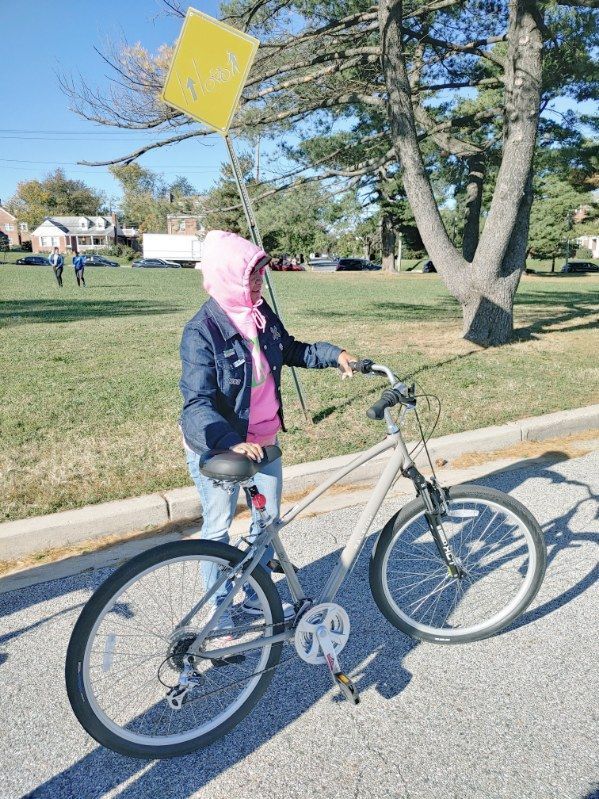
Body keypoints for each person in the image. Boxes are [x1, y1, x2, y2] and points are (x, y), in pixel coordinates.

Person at [180, 230, 358, 630]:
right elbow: (197, 403)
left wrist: (334, 354)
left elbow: (292, 348)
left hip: (264, 440)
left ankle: (256, 595)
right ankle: (220, 611)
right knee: (218, 527)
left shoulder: (259, 314)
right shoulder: (201, 332)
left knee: (267, 522)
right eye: (250, 276)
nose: (259, 282)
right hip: (220, 447)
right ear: (227, 276)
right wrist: (230, 442)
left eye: (261, 273)